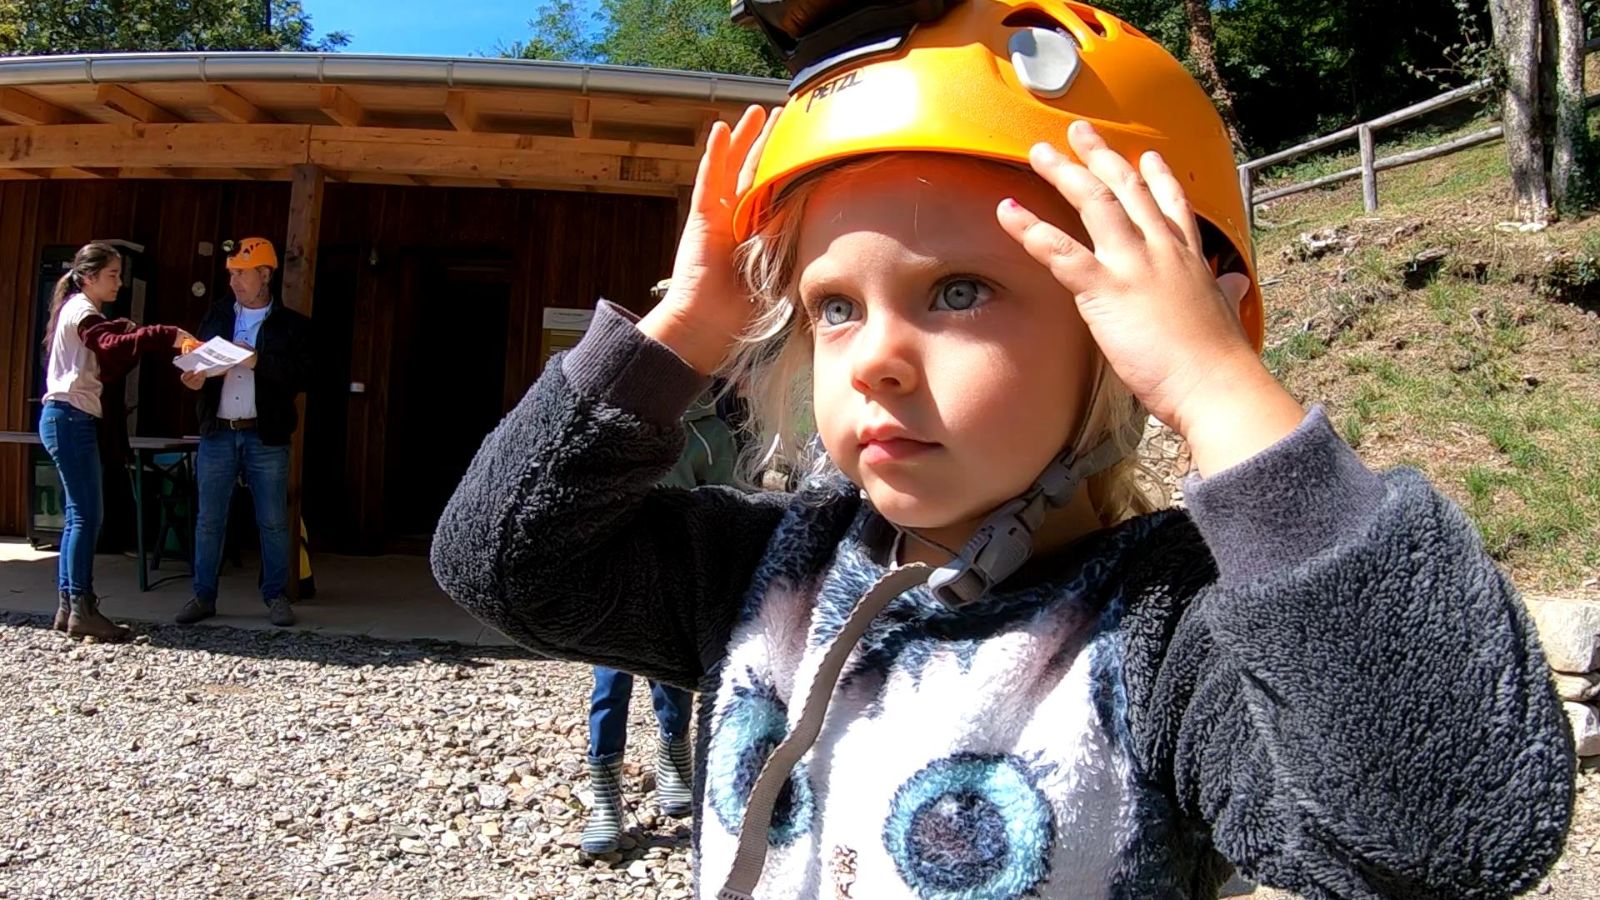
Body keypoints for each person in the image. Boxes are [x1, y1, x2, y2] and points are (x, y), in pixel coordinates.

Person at [430, 3, 1573, 897]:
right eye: (833, 307)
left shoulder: (1167, 636)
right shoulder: (765, 579)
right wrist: (686, 327)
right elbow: (503, 564)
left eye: (958, 291)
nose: (872, 355)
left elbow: (1449, 832)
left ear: (1133, 338)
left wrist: (1218, 383)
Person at [581, 378, 740, 855]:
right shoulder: (623, 425)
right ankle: (604, 798)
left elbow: (724, 507)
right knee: (609, 684)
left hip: (675, 584)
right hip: (617, 582)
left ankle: (675, 754)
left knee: (671, 678)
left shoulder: (712, 436)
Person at [38, 241, 191, 641]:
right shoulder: (83, 312)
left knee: (77, 516)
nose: (119, 283)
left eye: (120, 275)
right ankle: (81, 608)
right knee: (88, 516)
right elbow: (111, 346)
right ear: (88, 277)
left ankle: (70, 607)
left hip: (64, 417)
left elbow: (109, 348)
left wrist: (127, 329)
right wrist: (166, 335)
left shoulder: (76, 310)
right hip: (71, 419)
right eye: (112, 275)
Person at [176, 237, 312, 628]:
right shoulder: (217, 314)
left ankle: (276, 596)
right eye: (231, 274)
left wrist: (257, 361)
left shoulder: (291, 325)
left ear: (265, 275)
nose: (234, 281)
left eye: (241, 274)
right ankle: (203, 595)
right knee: (208, 520)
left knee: (272, 520)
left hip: (265, 435)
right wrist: (195, 380)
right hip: (218, 431)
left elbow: (304, 376)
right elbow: (197, 360)